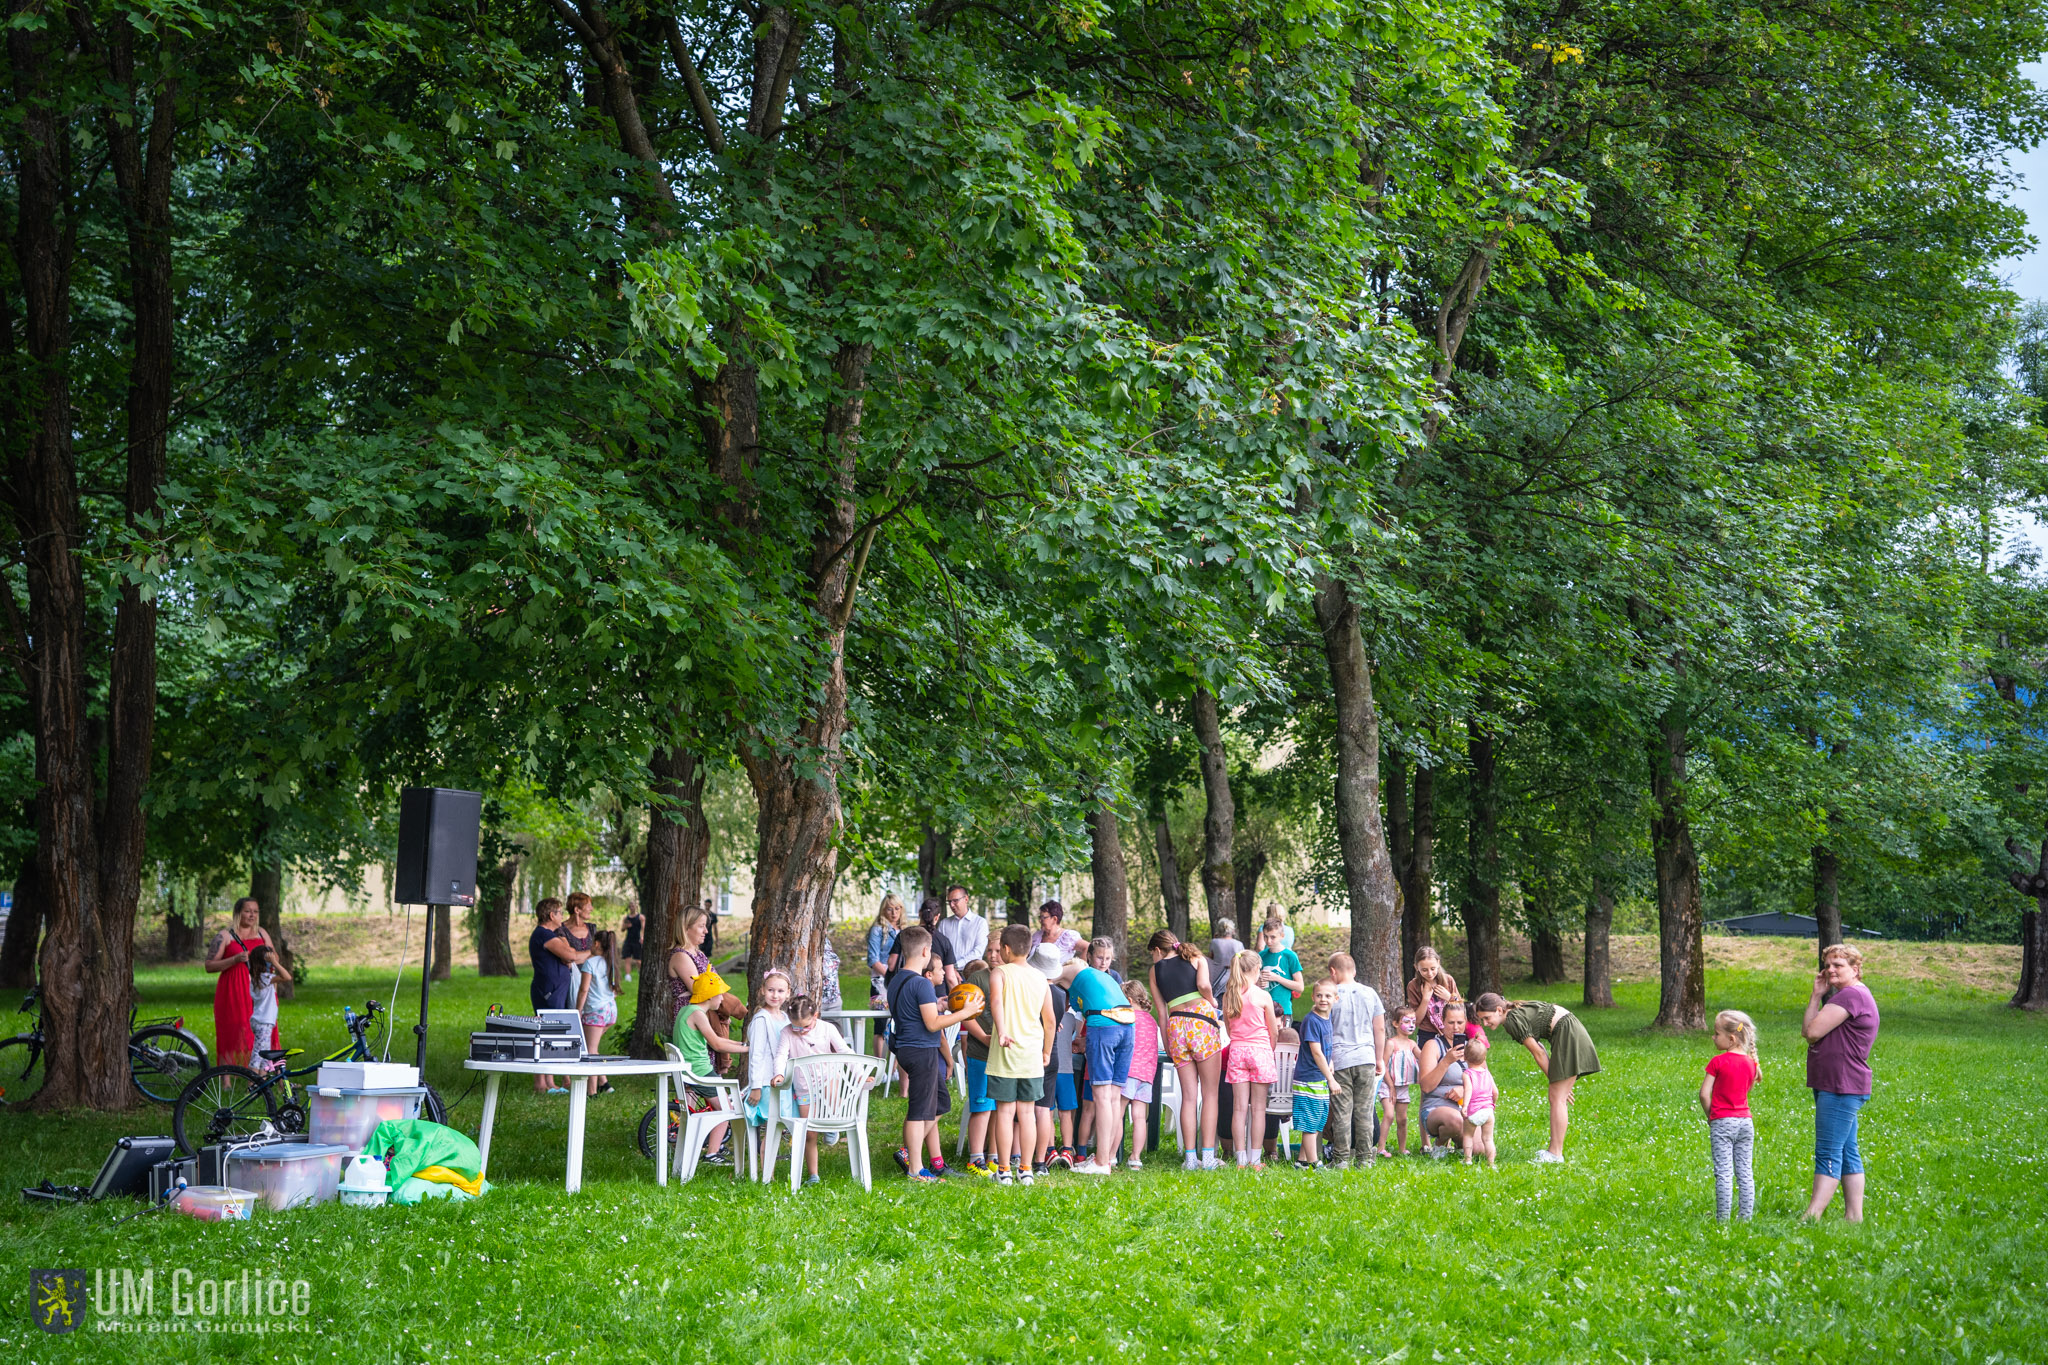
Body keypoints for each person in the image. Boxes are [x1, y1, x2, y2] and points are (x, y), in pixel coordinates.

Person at [887, 926, 979, 1183]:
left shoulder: (898, 979)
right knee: (919, 1111)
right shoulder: (921, 983)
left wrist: (937, 1005)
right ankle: (916, 1169)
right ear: (926, 951)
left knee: (940, 1103)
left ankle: (909, 1151)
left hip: (907, 1049)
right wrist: (964, 1012)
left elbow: (914, 1011)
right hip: (921, 1051)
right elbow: (932, 1024)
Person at [1471, 991, 1603, 1163]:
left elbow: (1538, 1052)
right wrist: (1557, 1080)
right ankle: (1554, 1152)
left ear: (1499, 1010)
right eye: (1483, 1020)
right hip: (1570, 1027)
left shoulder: (1511, 1021)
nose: (1486, 1023)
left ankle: (1555, 1154)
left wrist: (1555, 1079)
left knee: (1557, 1098)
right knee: (1557, 1096)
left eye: (1487, 1018)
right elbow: (1538, 1044)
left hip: (1567, 1032)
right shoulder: (1514, 1011)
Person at [1801, 943, 1878, 1222]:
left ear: (1855, 970)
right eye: (1828, 964)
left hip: (1840, 1084)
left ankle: (1812, 1216)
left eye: (1839, 965)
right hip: (1838, 1083)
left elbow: (1812, 1032)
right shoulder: (1851, 995)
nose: (1831, 969)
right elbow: (1808, 1031)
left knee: (1828, 1151)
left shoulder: (1849, 997)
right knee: (1847, 1150)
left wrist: (1819, 1000)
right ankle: (1854, 1217)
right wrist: (1815, 996)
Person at [987, 925, 1057, 1185]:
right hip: (1031, 1054)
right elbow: (1049, 1021)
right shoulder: (1041, 978)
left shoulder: (999, 973)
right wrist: (1047, 1051)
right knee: (1027, 1114)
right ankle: (1026, 1169)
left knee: (1005, 1113)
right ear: (1029, 949)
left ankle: (1004, 1170)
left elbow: (995, 1002)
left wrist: (1003, 1031)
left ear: (1005, 949)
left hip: (1006, 1053)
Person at [1148, 929, 1223, 1170]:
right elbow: (1203, 984)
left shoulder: (1154, 971)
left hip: (1176, 1027)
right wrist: (1211, 1000)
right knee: (1210, 1094)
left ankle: (1190, 1159)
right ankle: (1209, 1157)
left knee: (1188, 1097)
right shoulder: (1195, 958)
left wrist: (1169, 1044)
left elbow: (1161, 1012)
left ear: (1158, 950)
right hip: (1201, 1023)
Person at [1069, 939, 1137, 1175]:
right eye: (1100, 958)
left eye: (1108, 959)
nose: (1104, 963)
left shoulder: (1085, 974)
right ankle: (1105, 1159)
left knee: (1103, 1096)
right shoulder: (1107, 980)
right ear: (1089, 956)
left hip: (1104, 1030)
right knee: (1111, 1097)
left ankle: (1101, 1161)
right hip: (1126, 1028)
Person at [773, 994, 854, 1186]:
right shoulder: (786, 1033)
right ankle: (813, 1175)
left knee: (833, 1098)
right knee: (809, 1132)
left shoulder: (827, 1029)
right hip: (803, 1087)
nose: (800, 1031)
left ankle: (833, 1124)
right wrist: (779, 1073)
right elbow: (781, 1056)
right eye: (796, 1027)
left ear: (815, 1016)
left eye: (805, 1027)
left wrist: (859, 1073)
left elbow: (845, 1051)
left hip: (828, 1078)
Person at [673, 969, 747, 1165]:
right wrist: (748, 1051)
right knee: (727, 1109)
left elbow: (719, 1041)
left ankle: (717, 1143)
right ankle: (712, 1153)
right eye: (720, 994)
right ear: (709, 995)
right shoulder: (698, 1014)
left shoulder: (686, 1010)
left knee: (721, 1105)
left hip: (693, 1068)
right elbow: (717, 1044)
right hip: (699, 1071)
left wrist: (742, 1046)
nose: (722, 998)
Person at [1325, 951, 1388, 1167]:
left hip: (1340, 1060)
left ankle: (1341, 1159)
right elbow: (1379, 1027)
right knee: (1364, 1110)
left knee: (1342, 1111)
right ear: (1354, 970)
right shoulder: (1370, 993)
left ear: (1333, 972)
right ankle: (1365, 1159)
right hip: (1366, 1058)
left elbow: (1326, 1030)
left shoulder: (1331, 996)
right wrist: (1379, 1058)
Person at [1702, 1008, 1762, 1221]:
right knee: (1745, 1172)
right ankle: (1745, 1219)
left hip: (1722, 1122)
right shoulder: (1751, 1063)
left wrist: (1712, 1116)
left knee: (1724, 1173)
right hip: (1745, 1122)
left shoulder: (1717, 1062)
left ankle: (1723, 1220)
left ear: (1731, 1037)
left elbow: (1703, 1094)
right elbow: (1745, 1090)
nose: (1713, 1037)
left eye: (1716, 1033)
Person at [1222, 950, 1278, 1169]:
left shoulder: (1229, 996)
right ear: (1256, 969)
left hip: (1237, 1051)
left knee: (1239, 1109)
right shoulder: (1263, 996)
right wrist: (1268, 1050)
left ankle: (1240, 1160)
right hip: (1260, 1051)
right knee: (1258, 1109)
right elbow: (1273, 1031)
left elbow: (1228, 1029)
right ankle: (1255, 1159)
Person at [528, 898, 591, 1095]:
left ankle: (550, 1082)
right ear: (551, 915)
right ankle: (543, 1083)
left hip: (555, 990)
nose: (562, 917)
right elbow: (571, 956)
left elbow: (569, 954)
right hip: (548, 991)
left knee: (552, 1033)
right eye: (560, 913)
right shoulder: (544, 934)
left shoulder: (550, 935)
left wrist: (569, 952)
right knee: (548, 1033)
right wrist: (592, 952)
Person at [205, 898, 274, 1071]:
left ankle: (260, 1074)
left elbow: (275, 958)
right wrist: (234, 959)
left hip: (259, 989)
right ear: (238, 913)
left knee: (261, 1031)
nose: (252, 915)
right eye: (248, 911)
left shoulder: (262, 934)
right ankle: (227, 1078)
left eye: (255, 911)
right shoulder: (225, 936)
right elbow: (209, 966)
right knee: (233, 1030)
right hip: (233, 989)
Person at [745, 969, 794, 1148]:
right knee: (773, 1127)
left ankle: (768, 1171)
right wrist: (756, 1086)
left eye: (780, 991)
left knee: (778, 1127)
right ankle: (767, 1174)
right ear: (762, 990)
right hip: (766, 1082)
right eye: (771, 990)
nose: (775, 995)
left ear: (788, 993)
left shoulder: (785, 1017)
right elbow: (756, 1055)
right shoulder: (761, 1019)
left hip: (781, 1081)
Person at [958, 957, 998, 1177]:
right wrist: (984, 1038)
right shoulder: (976, 980)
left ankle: (993, 1156)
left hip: (1001, 1057)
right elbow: (966, 1017)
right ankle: (975, 1159)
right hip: (979, 1055)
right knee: (982, 1108)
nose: (993, 955)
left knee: (996, 1108)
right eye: (989, 950)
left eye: (997, 950)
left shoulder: (1008, 977)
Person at [1416, 999, 1472, 1158]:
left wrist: (1465, 1089)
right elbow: (1426, 1086)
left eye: (1460, 1022)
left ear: (1466, 1022)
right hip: (1436, 1107)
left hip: (1465, 1108)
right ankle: (1440, 1144)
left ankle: (1461, 1145)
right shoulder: (1432, 1045)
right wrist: (1446, 1061)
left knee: (1481, 1149)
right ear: (1442, 1021)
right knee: (1455, 1120)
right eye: (1451, 1022)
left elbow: (1486, 1083)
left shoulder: (1472, 1047)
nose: (1456, 1027)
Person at [1292, 981, 1337, 1168]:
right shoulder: (1312, 1020)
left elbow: (1325, 1049)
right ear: (1313, 997)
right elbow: (1316, 1051)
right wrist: (1331, 1079)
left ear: (1336, 999)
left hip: (1318, 1078)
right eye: (1319, 995)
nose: (1323, 999)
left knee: (1318, 1120)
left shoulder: (1327, 1018)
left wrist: (1331, 1061)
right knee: (1310, 1123)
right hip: (1308, 1078)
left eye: (1328, 996)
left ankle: (1302, 1161)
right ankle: (1314, 1163)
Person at [576, 928, 622, 1096]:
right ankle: (605, 1083)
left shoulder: (591, 962)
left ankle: (591, 1091)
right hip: (610, 1011)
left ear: (596, 944)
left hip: (595, 1011)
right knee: (592, 1047)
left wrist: (577, 1011)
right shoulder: (611, 963)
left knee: (590, 1052)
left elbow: (583, 989)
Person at [1120, 981, 1160, 1171]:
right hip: (1147, 1075)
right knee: (1139, 1117)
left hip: (1128, 1072)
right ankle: (1135, 1157)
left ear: (1128, 1000)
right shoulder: (1152, 1021)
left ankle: (1110, 1155)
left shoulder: (1127, 1017)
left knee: (1116, 1115)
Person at [1378, 1005, 1422, 1156]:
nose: (1411, 1025)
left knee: (1402, 1119)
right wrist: (1390, 1086)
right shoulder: (1391, 1043)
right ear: (1396, 1023)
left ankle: (1402, 1149)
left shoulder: (1412, 1044)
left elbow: (1423, 1057)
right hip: (1387, 1085)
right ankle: (1380, 1148)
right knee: (1389, 1115)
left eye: (1413, 1022)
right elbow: (1382, 1065)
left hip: (1403, 1087)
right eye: (1407, 1021)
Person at [245, 944, 292, 1072]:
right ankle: (251, 1086)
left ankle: (262, 1084)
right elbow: (287, 977)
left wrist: (272, 962)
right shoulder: (265, 978)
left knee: (264, 1057)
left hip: (260, 1021)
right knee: (257, 1056)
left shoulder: (256, 978)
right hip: (263, 1022)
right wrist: (275, 963)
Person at [1406, 946, 1460, 1048]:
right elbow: (1416, 1021)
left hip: (1451, 1031)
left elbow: (1461, 1008)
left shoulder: (1448, 980)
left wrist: (1450, 998)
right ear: (1416, 967)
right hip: (1427, 1034)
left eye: (1433, 969)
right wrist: (1425, 999)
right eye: (1424, 970)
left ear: (1438, 963)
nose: (1430, 973)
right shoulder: (1413, 986)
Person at [1257, 918, 1304, 1026]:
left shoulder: (1290, 956)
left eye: (1273, 937)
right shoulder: (1261, 956)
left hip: (1284, 1010)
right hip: (1264, 1008)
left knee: (1283, 1040)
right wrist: (1259, 983)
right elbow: (1254, 982)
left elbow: (1300, 987)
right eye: (1265, 936)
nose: (1268, 941)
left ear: (1282, 936)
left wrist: (1276, 978)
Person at [1460, 1035, 1498, 1167]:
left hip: (1473, 1111)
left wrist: (1465, 1106)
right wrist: (1493, 1104)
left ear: (1464, 1058)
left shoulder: (1467, 1074)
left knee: (1468, 1136)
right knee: (1488, 1139)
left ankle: (1468, 1160)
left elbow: (1468, 1090)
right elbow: (1495, 1092)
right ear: (1484, 1058)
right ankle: (1491, 1163)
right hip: (1488, 1111)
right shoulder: (1487, 1073)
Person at [866, 895, 907, 1009]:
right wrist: (891, 977)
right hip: (882, 980)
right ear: (883, 910)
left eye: (897, 908)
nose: (894, 913)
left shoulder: (905, 930)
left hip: (901, 977)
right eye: (889, 909)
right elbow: (873, 960)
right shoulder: (877, 930)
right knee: (882, 1019)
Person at [935, 884, 989, 968]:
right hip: (948, 973)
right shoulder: (944, 924)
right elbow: (939, 949)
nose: (952, 905)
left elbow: (978, 951)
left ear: (966, 899)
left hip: (971, 973)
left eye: (955, 900)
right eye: (949, 902)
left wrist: (956, 965)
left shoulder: (980, 923)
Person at [1027, 901, 1085, 966]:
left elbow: (1087, 947)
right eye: (1040, 917)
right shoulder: (1037, 936)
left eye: (1043, 917)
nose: (1040, 920)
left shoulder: (1068, 937)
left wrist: (1079, 969)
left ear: (1054, 919)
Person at [1207, 917, 1246, 992]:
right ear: (1233, 931)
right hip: (1235, 976)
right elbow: (1243, 961)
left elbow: (1210, 959)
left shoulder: (1214, 942)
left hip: (1218, 977)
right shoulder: (1238, 944)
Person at [619, 905, 644, 983]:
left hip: (637, 940)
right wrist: (626, 926)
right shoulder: (626, 918)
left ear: (636, 907)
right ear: (629, 907)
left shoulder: (641, 917)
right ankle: (627, 976)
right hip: (628, 940)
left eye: (633, 906)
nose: (632, 908)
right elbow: (622, 929)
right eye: (630, 906)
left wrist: (642, 937)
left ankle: (641, 974)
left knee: (638, 960)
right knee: (627, 959)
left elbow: (643, 928)